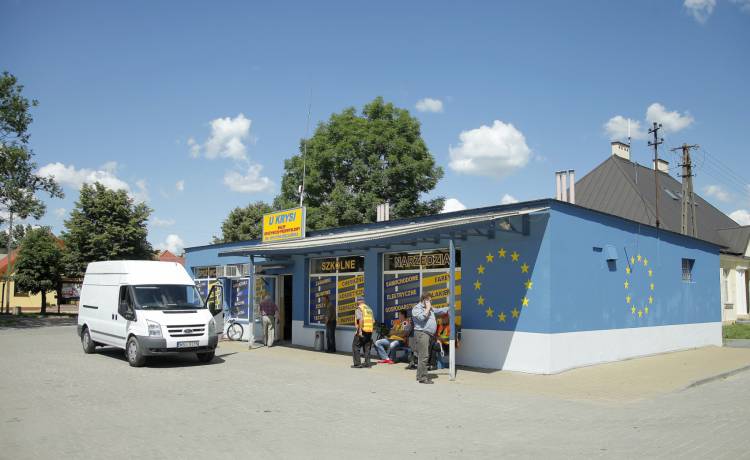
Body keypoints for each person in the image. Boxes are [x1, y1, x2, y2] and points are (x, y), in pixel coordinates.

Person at [411, 293, 449, 384]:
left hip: (428, 334)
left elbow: (438, 311)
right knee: (424, 356)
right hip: (422, 333)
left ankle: (420, 376)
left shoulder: (430, 308)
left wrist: (449, 308)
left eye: (431, 301)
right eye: (429, 301)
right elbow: (421, 318)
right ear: (424, 300)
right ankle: (423, 378)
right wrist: (428, 308)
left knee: (423, 356)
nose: (431, 302)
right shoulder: (416, 308)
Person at [351, 296, 374, 368]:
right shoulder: (369, 309)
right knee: (367, 347)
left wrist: (360, 330)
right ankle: (367, 363)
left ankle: (357, 364)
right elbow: (373, 321)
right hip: (369, 331)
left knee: (355, 346)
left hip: (362, 330)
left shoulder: (359, 308)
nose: (356, 302)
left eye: (357, 301)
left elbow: (360, 319)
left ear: (359, 301)